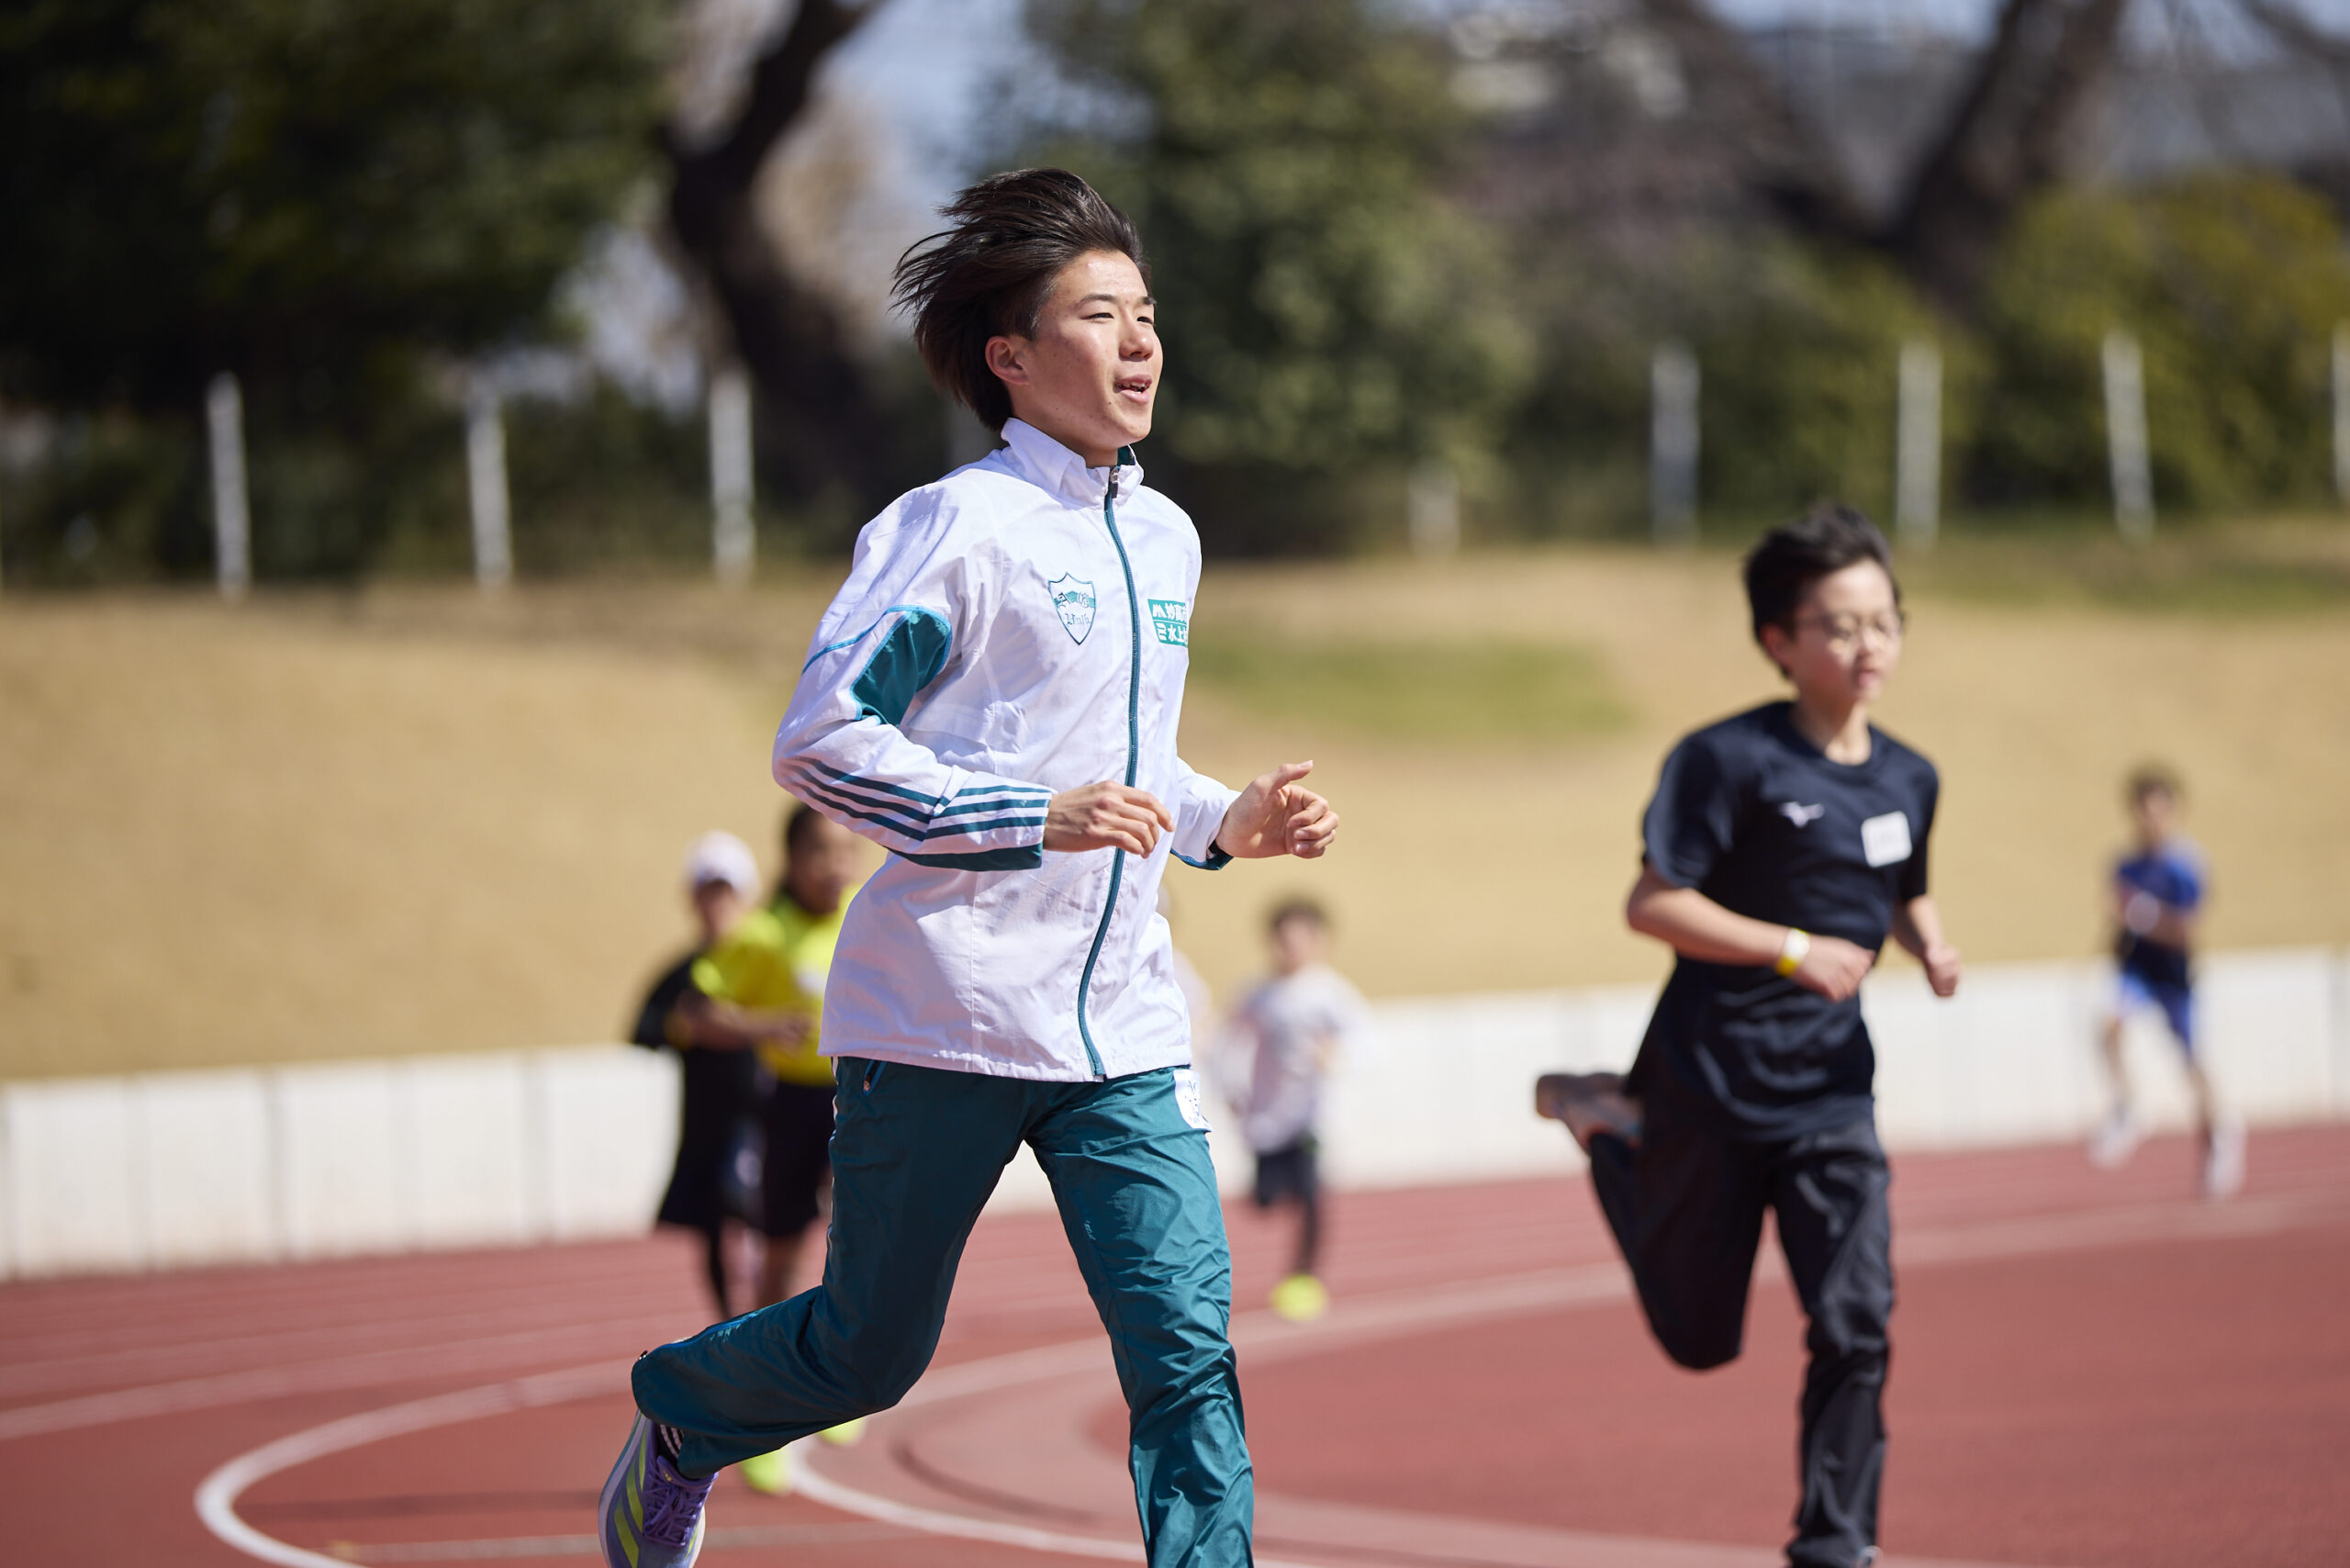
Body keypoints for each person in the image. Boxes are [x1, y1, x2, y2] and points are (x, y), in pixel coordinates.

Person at [598, 167, 1339, 1568]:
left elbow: (1127, 763)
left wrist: (1226, 819)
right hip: (945, 1013)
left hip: (1119, 1023)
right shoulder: (953, 530)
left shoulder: (1166, 537)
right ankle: (685, 1420)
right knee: (865, 1357)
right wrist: (1028, 817)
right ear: (1010, 357)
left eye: (1149, 315)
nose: (1142, 345)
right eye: (1101, 316)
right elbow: (821, 741)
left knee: (1187, 1353)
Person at [1535, 504, 1962, 1568]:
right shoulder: (1725, 760)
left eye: (1884, 621)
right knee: (1696, 1338)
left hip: (1828, 1095)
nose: (1869, 645)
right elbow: (1651, 902)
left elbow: (1900, 883)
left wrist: (1931, 942)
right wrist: (1789, 949)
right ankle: (1611, 1128)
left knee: (1857, 1322)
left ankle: (1833, 1541)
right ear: (1779, 640)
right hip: (1708, 1082)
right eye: (1840, 625)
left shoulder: (1911, 775)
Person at [2088, 766, 2241, 1196]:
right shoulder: (2125, 864)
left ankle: (2220, 1137)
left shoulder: (2185, 864)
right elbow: (2118, 921)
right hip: (2137, 968)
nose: (2152, 819)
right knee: (2108, 1029)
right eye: (2144, 810)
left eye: (2160, 810)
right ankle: (2127, 1107)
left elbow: (2185, 929)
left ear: (2172, 812)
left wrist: (2140, 915)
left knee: (2191, 1061)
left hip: (2173, 973)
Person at [631, 833, 764, 1322]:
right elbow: (641, 1029)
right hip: (705, 1117)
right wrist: (687, 1027)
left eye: (726, 892)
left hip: (760, 1113)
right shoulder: (682, 973)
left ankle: (764, 1310)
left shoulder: (762, 963)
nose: (717, 905)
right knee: (711, 1224)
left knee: (748, 1207)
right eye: (708, 892)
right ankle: (728, 1318)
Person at [1219, 898, 1367, 1322]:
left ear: (1320, 942)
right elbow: (1230, 1043)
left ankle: (1304, 1277)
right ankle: (1276, 1199)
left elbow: (1366, 1041)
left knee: (1312, 1197)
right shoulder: (1258, 995)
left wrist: (1337, 1054)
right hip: (1267, 1119)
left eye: (1301, 939)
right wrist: (1231, 1088)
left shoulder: (1331, 994)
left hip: (1311, 1118)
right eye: (1284, 940)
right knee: (1265, 1200)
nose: (1292, 948)